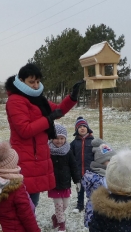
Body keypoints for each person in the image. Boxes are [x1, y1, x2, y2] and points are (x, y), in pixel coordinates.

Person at [4, 63, 83, 207]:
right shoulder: (15, 100)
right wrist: (48, 119)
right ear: (21, 81)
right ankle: (26, 230)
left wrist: (72, 98)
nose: (35, 85)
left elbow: (57, 110)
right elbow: (25, 130)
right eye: (31, 81)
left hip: (37, 157)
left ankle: (28, 228)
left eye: (38, 81)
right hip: (25, 157)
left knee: (32, 202)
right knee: (25, 204)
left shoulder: (38, 98)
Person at [49, 124, 81, 232]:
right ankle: (62, 226)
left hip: (65, 183)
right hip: (54, 184)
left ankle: (55, 217)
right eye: (56, 138)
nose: (59, 141)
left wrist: (77, 180)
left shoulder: (68, 151)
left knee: (65, 204)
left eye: (62, 138)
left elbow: (74, 166)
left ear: (65, 139)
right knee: (59, 205)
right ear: (52, 138)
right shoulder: (48, 152)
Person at [82, 138, 116, 228]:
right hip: (95, 210)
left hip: (110, 210)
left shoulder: (114, 174)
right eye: (108, 160)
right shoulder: (95, 177)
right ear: (100, 161)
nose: (111, 162)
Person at [70, 116, 95, 213]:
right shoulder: (74, 143)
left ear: (87, 128)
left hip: (91, 171)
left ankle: (93, 205)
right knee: (80, 190)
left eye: (84, 126)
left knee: (92, 190)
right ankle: (79, 205)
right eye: (80, 127)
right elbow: (70, 157)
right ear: (77, 130)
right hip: (79, 171)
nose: (82, 128)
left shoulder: (93, 141)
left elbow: (98, 155)